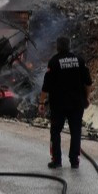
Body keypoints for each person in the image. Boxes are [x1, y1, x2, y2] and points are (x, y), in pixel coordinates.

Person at [38, 37, 93, 169]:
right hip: (76, 103)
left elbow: (46, 86)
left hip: (58, 104)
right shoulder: (79, 60)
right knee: (76, 132)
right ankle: (74, 160)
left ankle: (56, 160)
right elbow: (88, 83)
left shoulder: (54, 61)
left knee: (55, 132)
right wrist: (87, 97)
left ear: (58, 47)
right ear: (69, 46)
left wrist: (41, 103)